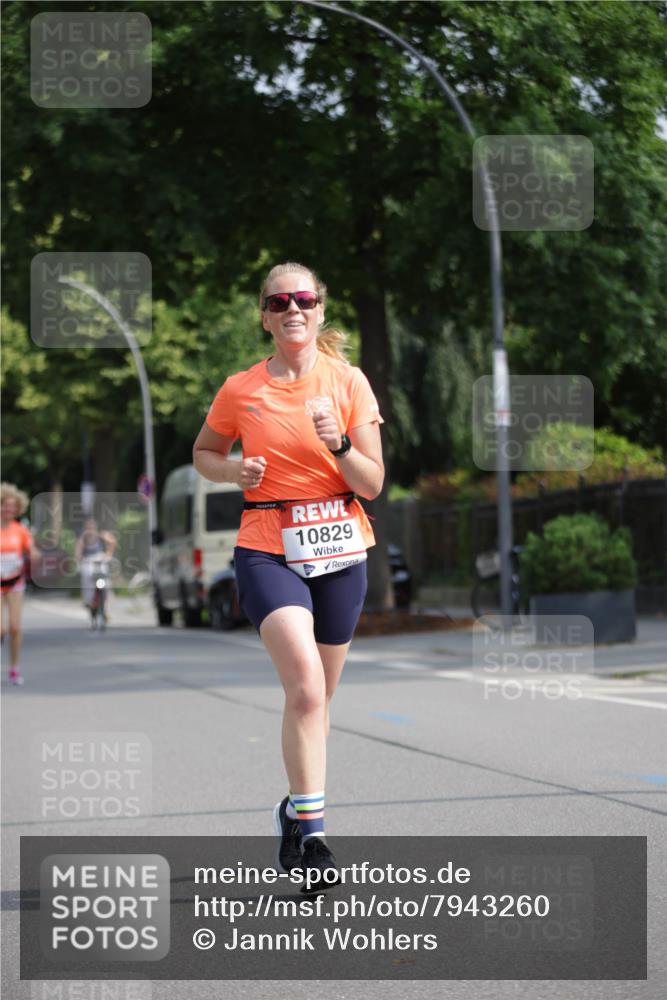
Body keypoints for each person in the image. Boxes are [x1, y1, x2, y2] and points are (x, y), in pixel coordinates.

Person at [193, 262, 384, 891]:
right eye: (279, 302)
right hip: (267, 545)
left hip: (340, 547)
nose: (292, 309)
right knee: (304, 687)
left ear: (321, 310)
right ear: (265, 315)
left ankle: (294, 809)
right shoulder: (241, 388)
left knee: (319, 702)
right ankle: (317, 834)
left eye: (303, 299)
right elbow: (204, 453)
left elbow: (373, 483)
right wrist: (231, 473)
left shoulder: (348, 382)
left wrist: (338, 446)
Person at [0, 483, 40, 685]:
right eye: (5, 505)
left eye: (12, 507)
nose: (8, 510)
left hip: (15, 581)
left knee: (15, 627)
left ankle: (14, 668)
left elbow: (32, 549)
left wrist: (34, 554)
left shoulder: (20, 530)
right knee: (1, 629)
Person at [74, 518, 116, 624]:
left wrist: (108, 554)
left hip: (100, 560)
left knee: (106, 581)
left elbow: (112, 542)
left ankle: (105, 607)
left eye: (92, 528)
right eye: (88, 528)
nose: (90, 530)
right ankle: (89, 600)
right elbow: (78, 553)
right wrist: (80, 560)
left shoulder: (101, 536)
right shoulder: (82, 539)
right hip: (88, 561)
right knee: (87, 576)